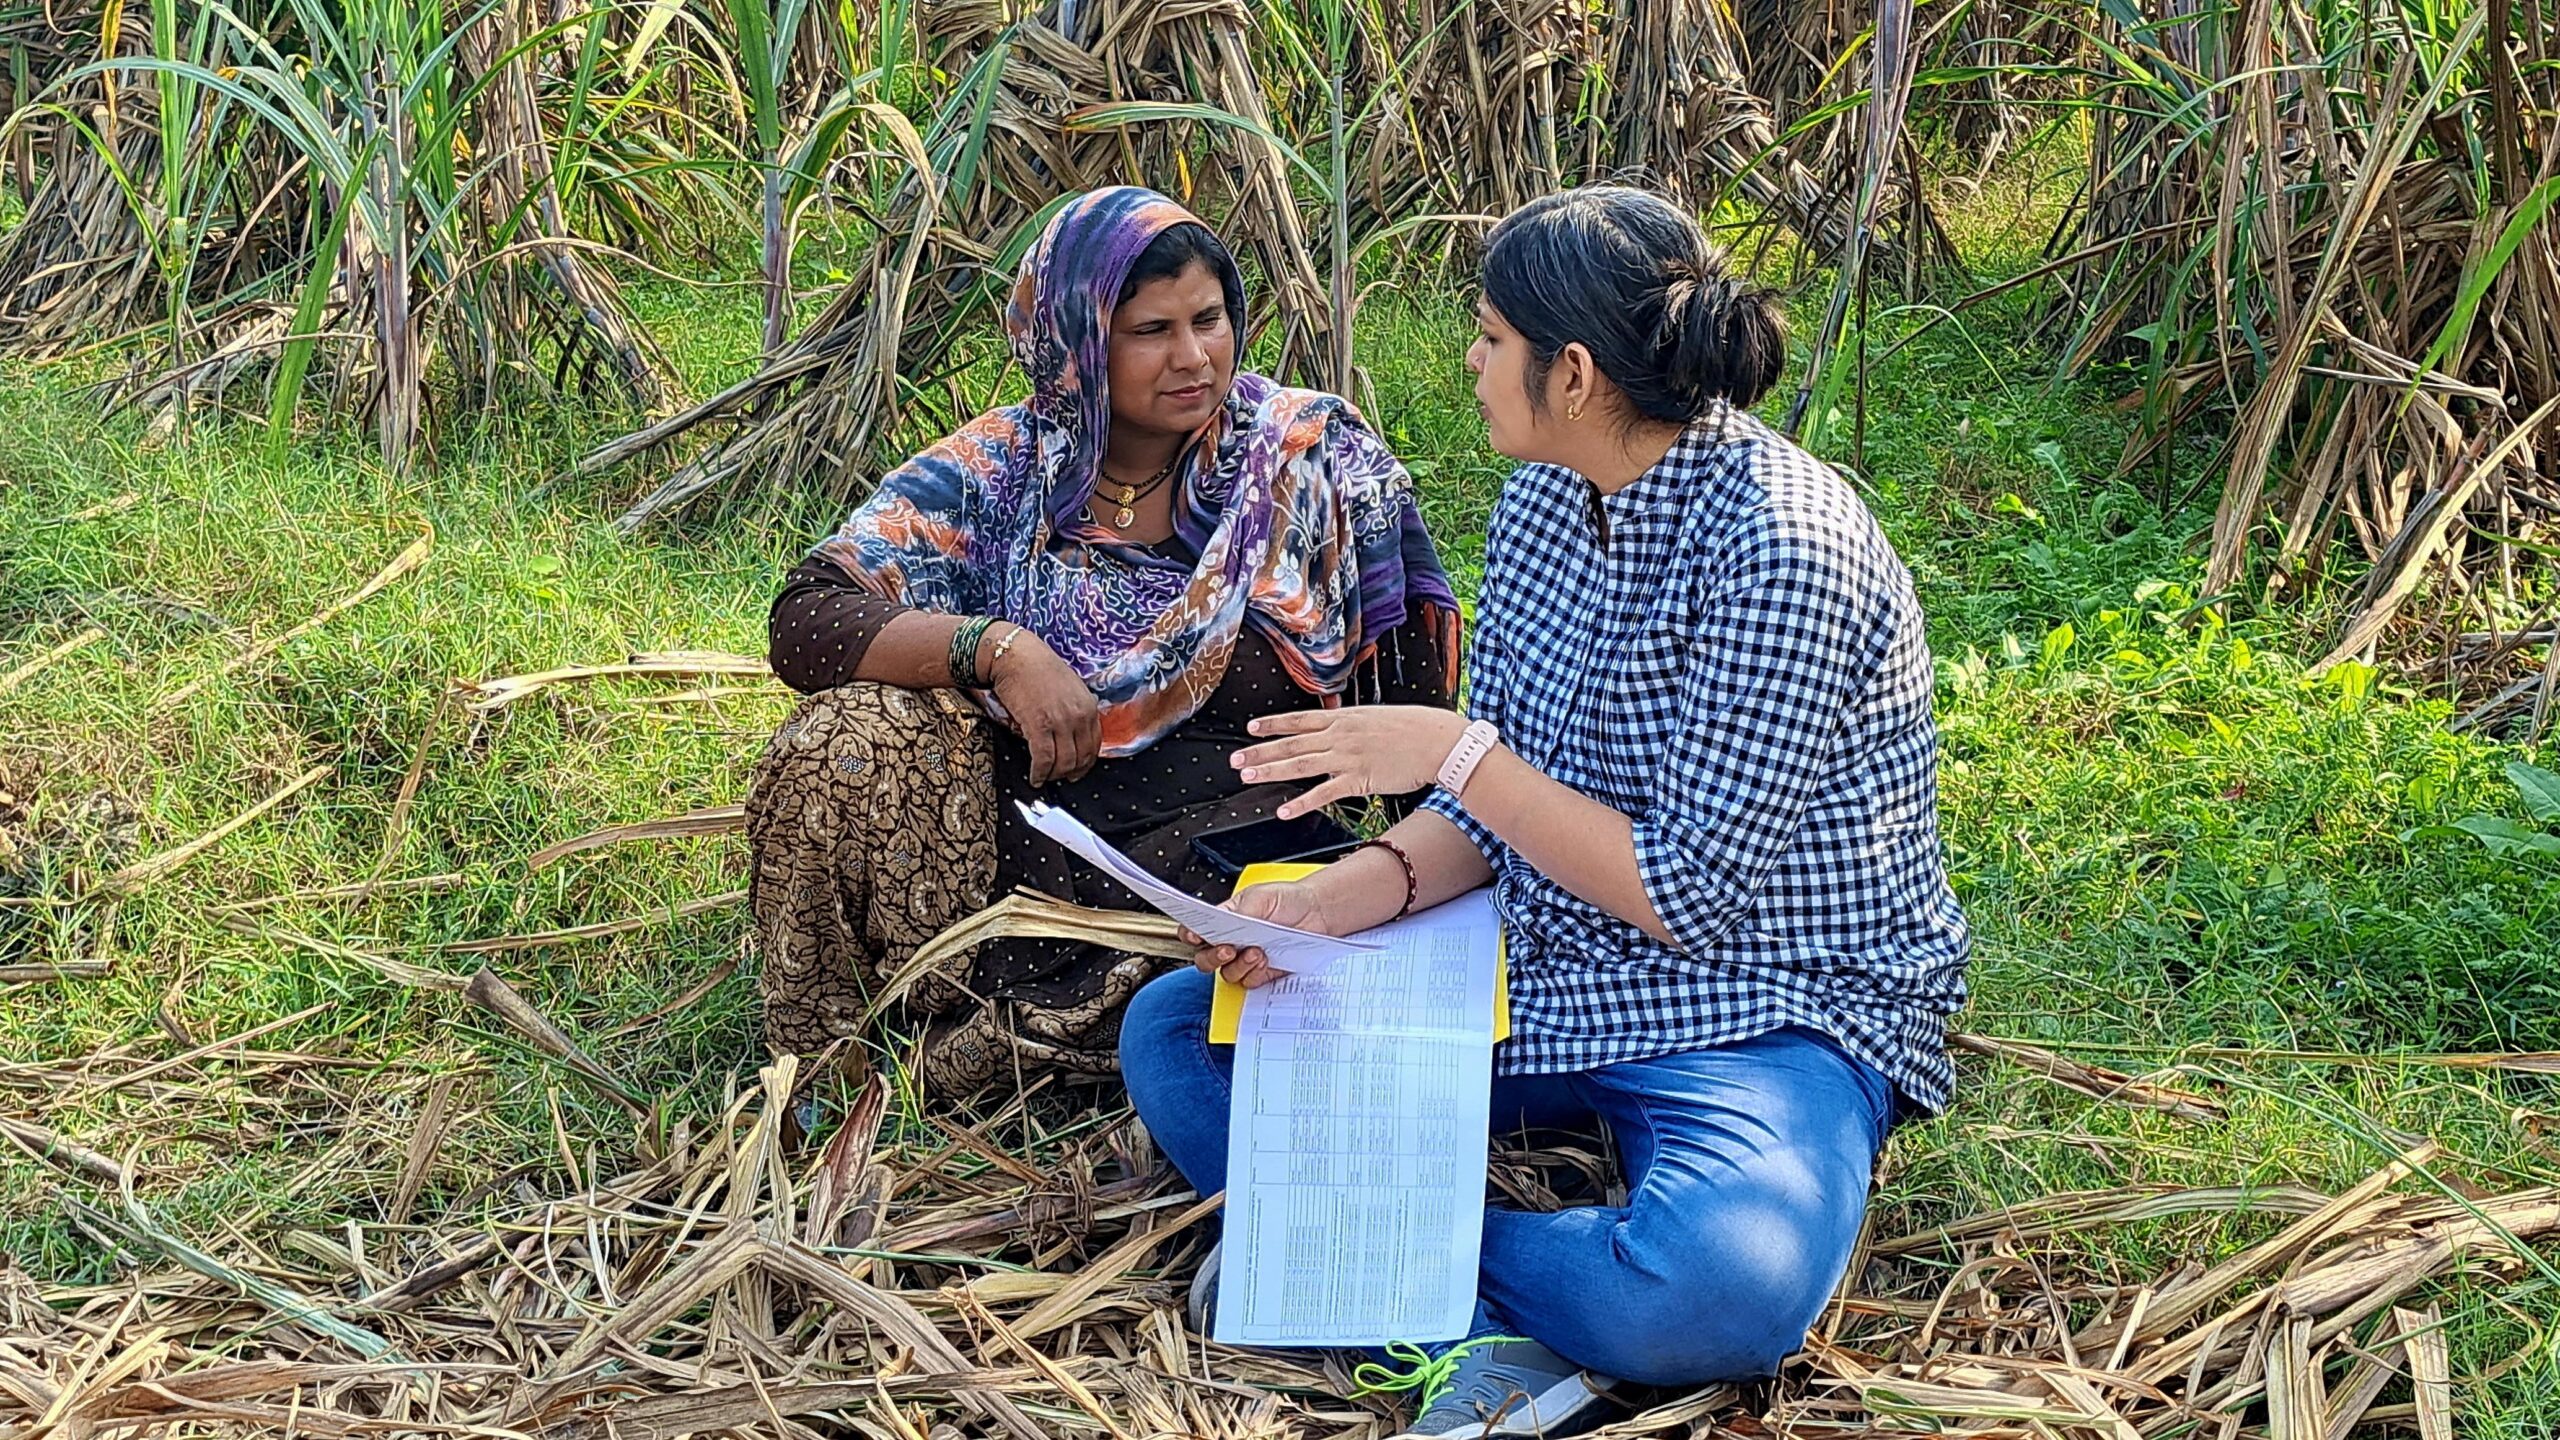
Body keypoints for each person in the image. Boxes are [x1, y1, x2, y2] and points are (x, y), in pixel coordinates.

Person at [1118, 185, 1970, 1437]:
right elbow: (1491, 817)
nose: (1468, 358)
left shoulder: (1789, 551)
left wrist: (1449, 750)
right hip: (1551, 960)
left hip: (1767, 996)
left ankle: (1356, 1269)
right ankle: (1451, 1314)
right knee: (1182, 1030)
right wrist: (1323, 907)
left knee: (1721, 1288)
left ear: (1570, 372)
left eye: (1487, 335)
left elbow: (1681, 893)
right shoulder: (1541, 507)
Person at [751, 186, 1461, 1098]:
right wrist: (1000, 649)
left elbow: (1414, 702)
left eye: (1209, 320)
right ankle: (821, 1074)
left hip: (1242, 876)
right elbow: (807, 618)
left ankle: (1046, 1045)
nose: (1192, 357)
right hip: (1022, 858)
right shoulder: (1002, 472)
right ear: (1076, 341)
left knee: (1203, 1001)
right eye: (1150, 330)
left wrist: (1412, 889)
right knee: (835, 745)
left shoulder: (1303, 457)